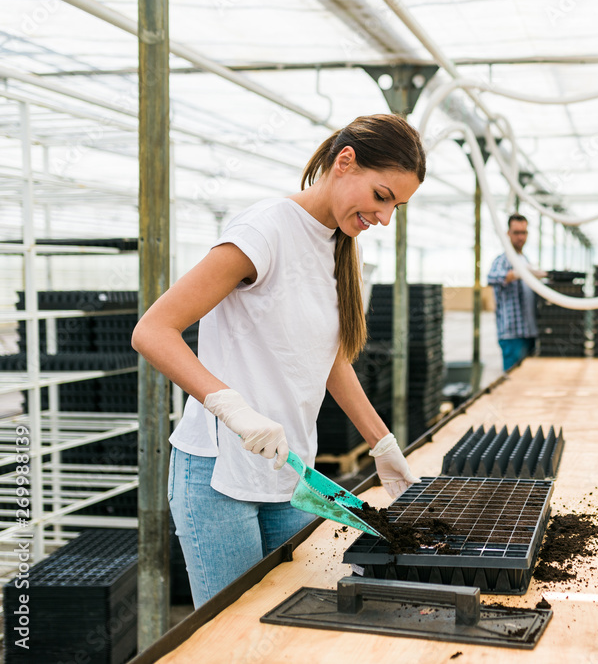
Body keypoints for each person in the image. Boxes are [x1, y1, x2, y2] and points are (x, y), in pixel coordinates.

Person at [131, 114, 423, 608]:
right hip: (220, 477)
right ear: (345, 162)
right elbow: (153, 331)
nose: (385, 217)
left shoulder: (337, 248)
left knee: (296, 622)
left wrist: (383, 445)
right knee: (233, 639)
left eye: (397, 205)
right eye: (381, 196)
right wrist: (233, 408)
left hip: (294, 478)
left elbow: (328, 360)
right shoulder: (264, 230)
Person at [487, 214, 544, 371]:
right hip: (512, 334)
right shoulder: (504, 260)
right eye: (516, 233)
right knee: (513, 380)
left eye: (524, 233)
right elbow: (491, 277)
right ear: (508, 234)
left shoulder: (525, 258)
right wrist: (516, 273)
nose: (521, 237)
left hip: (529, 332)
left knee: (528, 378)